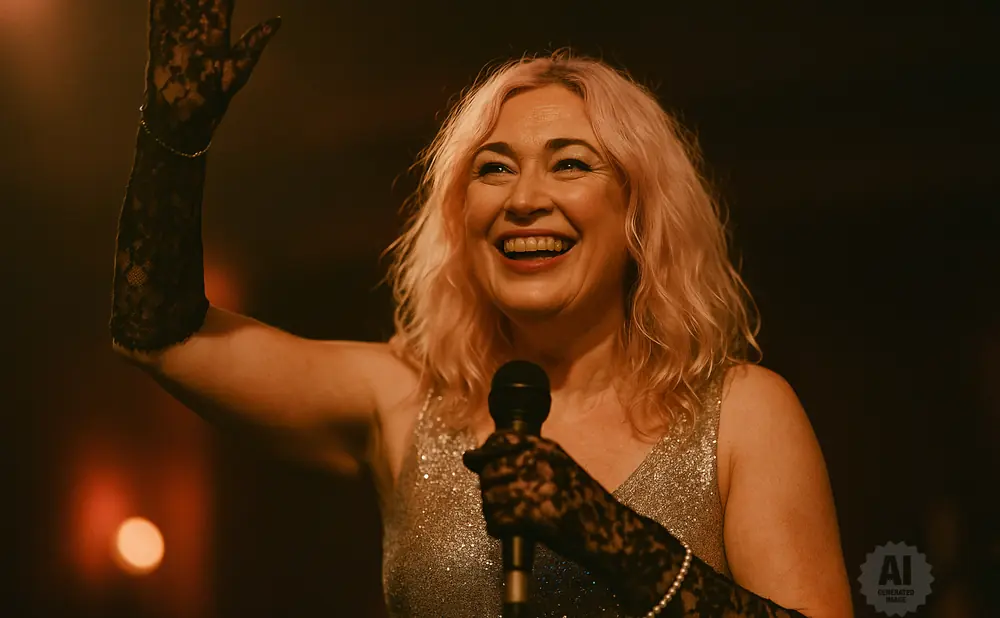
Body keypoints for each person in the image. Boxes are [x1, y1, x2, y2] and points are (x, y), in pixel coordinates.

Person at [110, 2, 854, 616]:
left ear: (639, 213)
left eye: (569, 163)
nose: (524, 199)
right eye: (494, 169)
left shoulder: (740, 412)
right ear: (461, 218)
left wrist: (622, 543)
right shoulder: (405, 397)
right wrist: (171, 142)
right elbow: (159, 335)